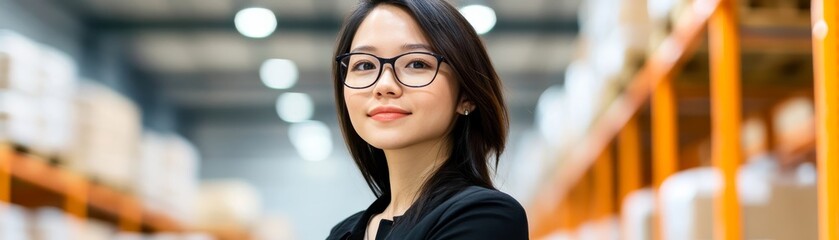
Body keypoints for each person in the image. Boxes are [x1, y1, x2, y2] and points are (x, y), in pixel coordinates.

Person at [327, 0, 528, 239]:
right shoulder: (342, 233)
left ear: (466, 95)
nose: (384, 85)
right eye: (365, 65)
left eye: (417, 63)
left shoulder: (486, 217)